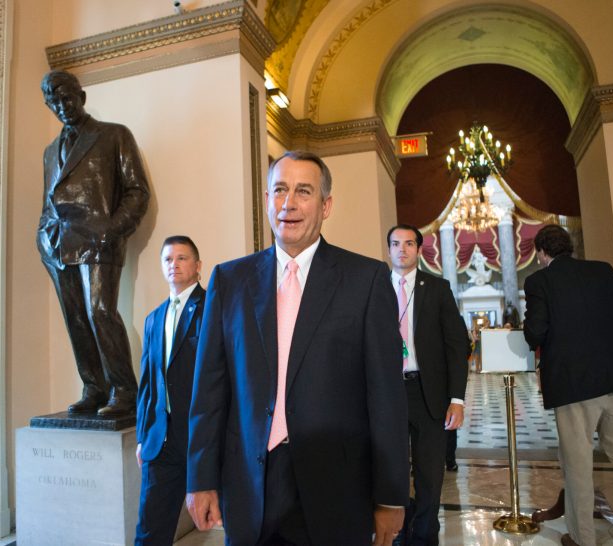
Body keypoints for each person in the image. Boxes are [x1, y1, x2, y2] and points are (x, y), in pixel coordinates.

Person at [186, 150, 409, 546]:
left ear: (326, 206)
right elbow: (209, 392)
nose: (289, 203)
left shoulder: (366, 281)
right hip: (251, 486)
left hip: (336, 490)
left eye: (303, 192)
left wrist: (390, 496)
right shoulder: (229, 281)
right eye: (280, 190)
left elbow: (386, 399)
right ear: (268, 201)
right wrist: (201, 479)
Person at [523, 224, 613, 546]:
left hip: (574, 385)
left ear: (542, 253)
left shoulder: (539, 281)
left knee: (577, 465)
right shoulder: (601, 270)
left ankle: (582, 539)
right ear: (568, 247)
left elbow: (535, 333)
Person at [37, 70, 150, 416]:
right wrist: (43, 238)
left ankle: (125, 391)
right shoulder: (50, 150)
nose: (62, 106)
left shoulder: (113, 135)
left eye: (67, 98)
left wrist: (111, 231)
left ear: (81, 96)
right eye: (54, 102)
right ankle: (94, 387)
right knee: (75, 317)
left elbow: (136, 191)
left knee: (101, 312)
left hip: (101, 239)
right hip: (59, 245)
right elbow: (48, 202)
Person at [387, 225, 470, 546]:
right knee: (391, 471)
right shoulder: (375, 288)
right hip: (388, 394)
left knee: (429, 474)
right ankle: (396, 532)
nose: (402, 250)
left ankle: (424, 536)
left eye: (409, 244)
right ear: (389, 249)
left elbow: (455, 346)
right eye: (395, 244)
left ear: (419, 250)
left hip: (428, 394)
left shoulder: (437, 288)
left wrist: (457, 399)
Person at [135, 236, 205, 545]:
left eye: (181, 258)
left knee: (237, 524)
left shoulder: (214, 308)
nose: (173, 264)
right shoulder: (153, 318)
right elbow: (147, 386)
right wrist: (141, 436)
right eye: (167, 259)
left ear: (198, 266)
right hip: (159, 442)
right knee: (150, 530)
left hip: (202, 439)